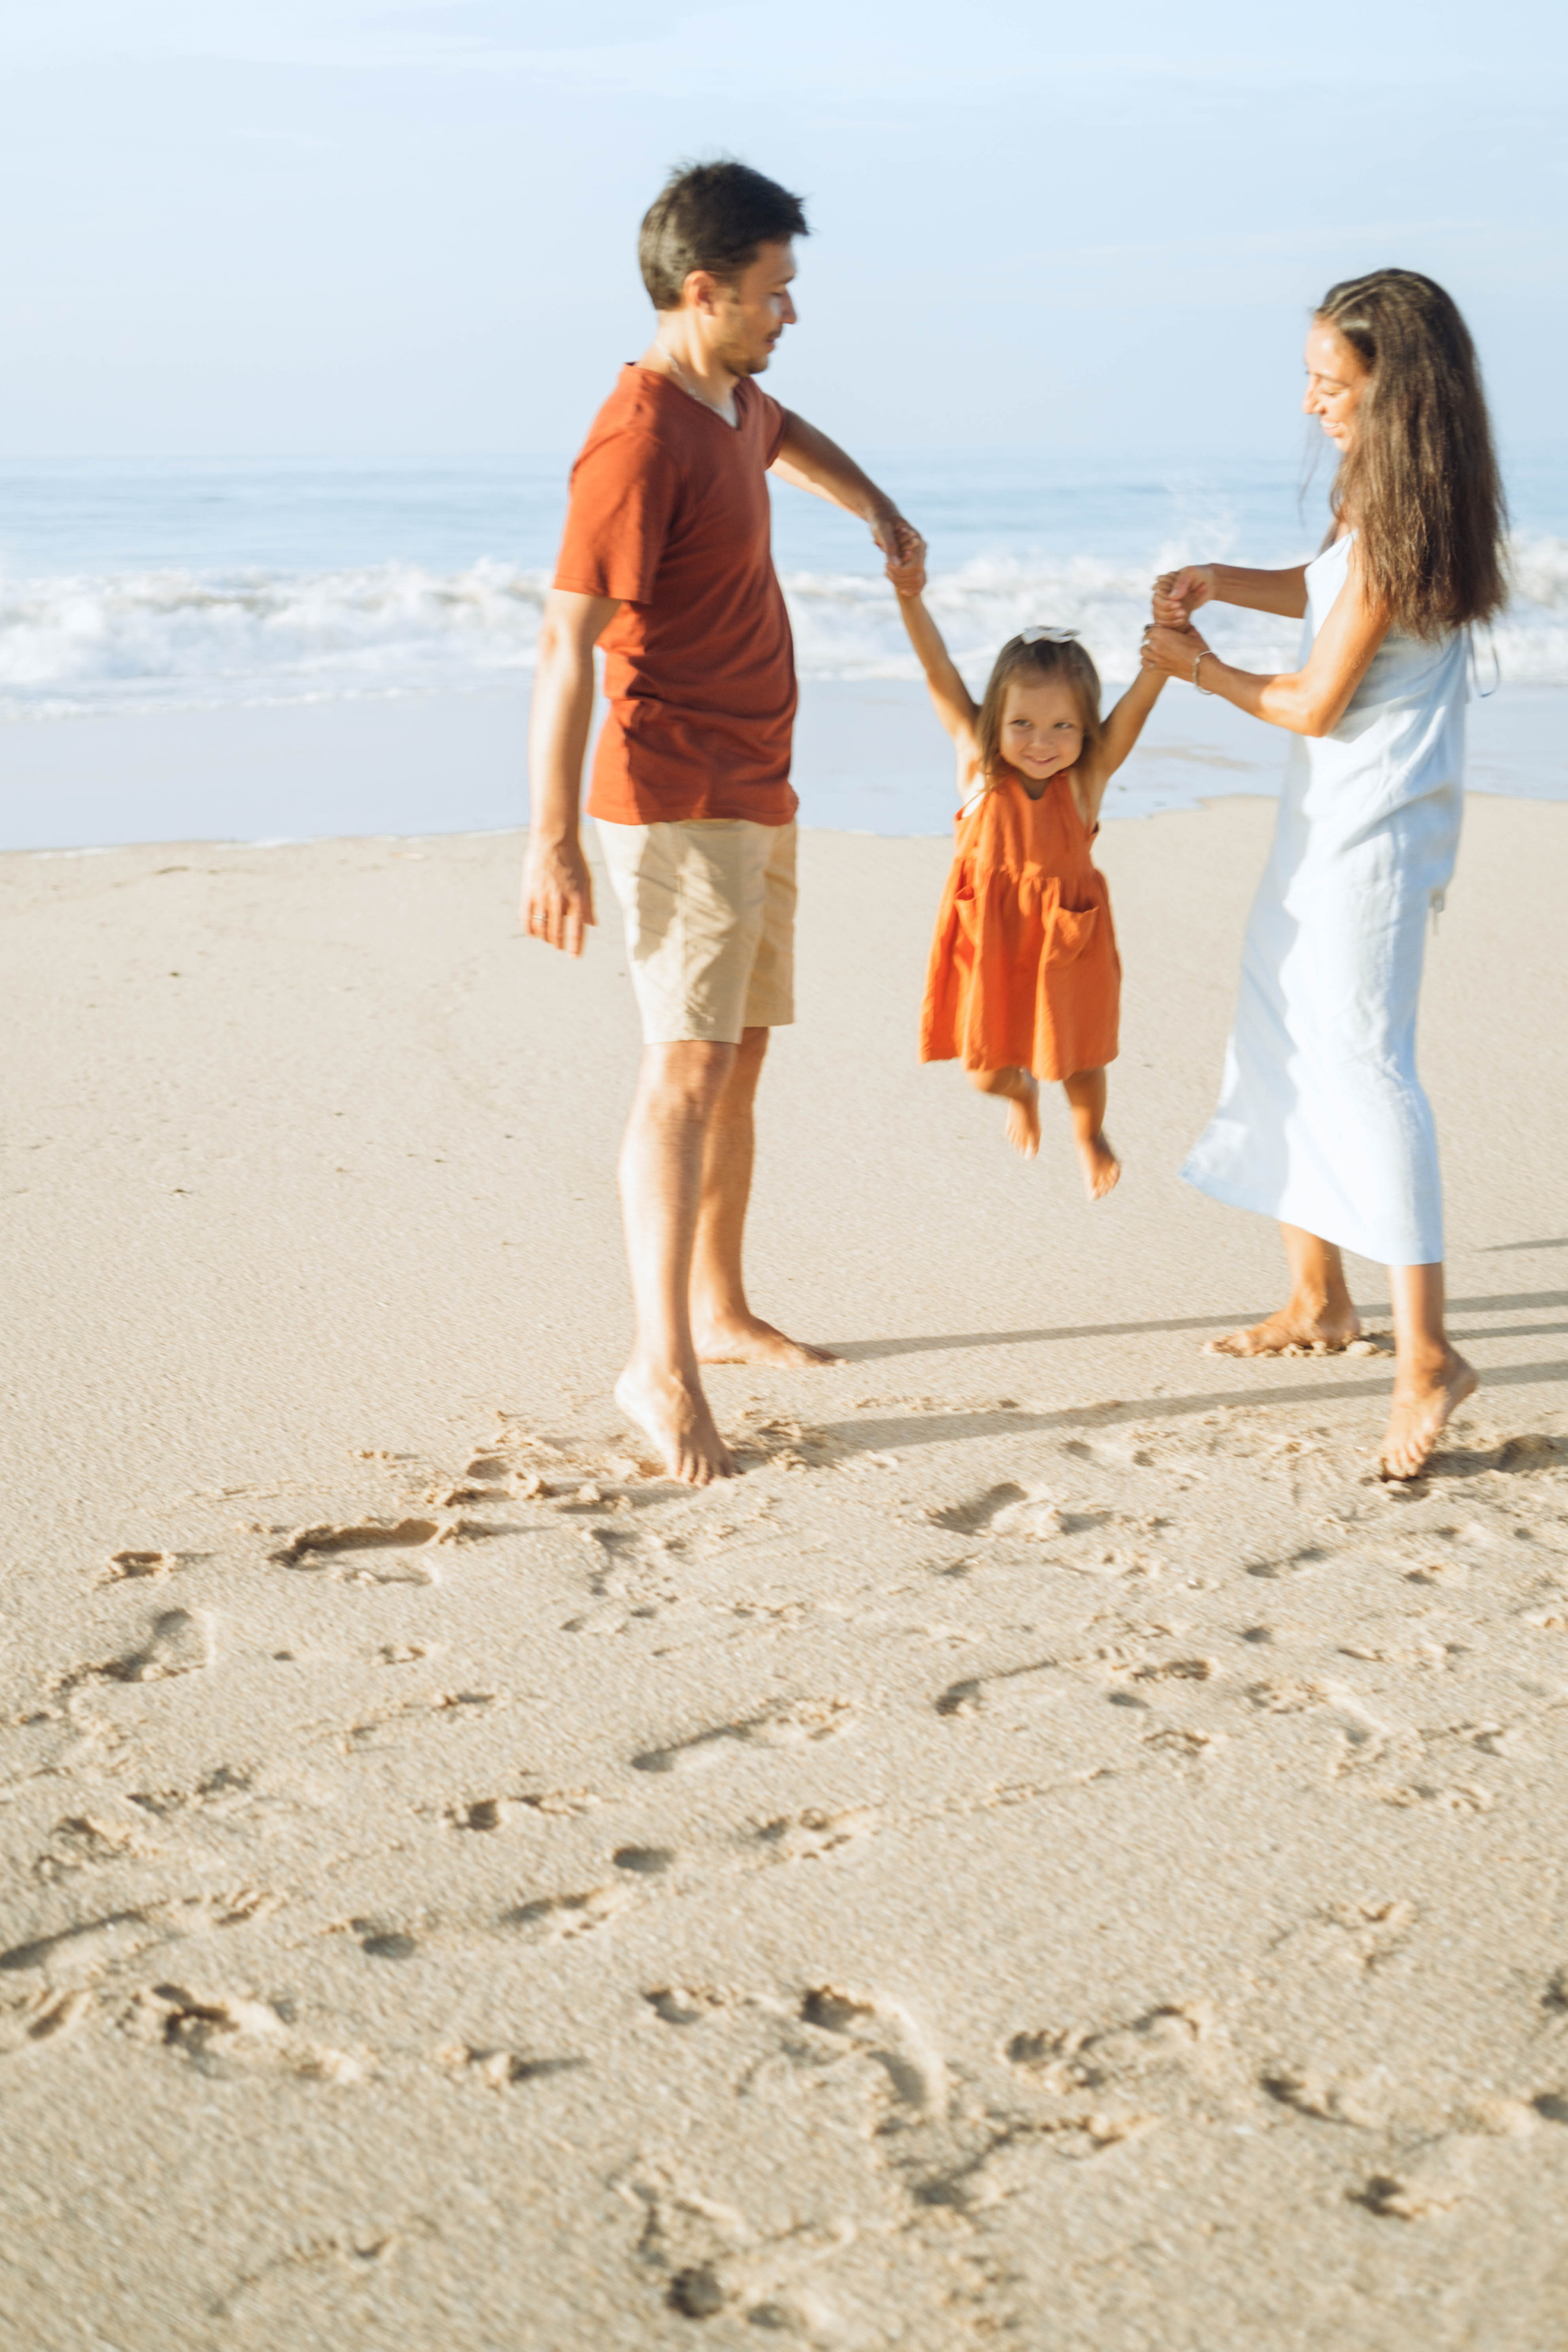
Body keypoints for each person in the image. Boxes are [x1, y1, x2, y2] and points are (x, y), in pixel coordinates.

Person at [521, 160, 924, 1487]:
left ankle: (720, 1308)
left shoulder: (729, 402)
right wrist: (551, 836)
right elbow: (564, 647)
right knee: (683, 1072)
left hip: (758, 785)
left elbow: (785, 433)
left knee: (740, 1057)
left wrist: (872, 506)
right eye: (771, 295)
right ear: (703, 293)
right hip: (677, 797)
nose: (786, 315)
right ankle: (659, 1364)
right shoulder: (635, 442)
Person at [1140, 268, 1508, 1480]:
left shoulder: (1412, 525)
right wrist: (1220, 580)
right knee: (1286, 1036)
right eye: (1306, 378)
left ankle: (1425, 1357)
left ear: (1395, 394)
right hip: (1325, 827)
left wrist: (1196, 672)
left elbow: (1308, 699)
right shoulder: (1381, 502)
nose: (1310, 403)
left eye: (1329, 383)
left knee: (1362, 1068)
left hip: (1373, 840)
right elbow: (1318, 592)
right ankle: (1316, 1300)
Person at [884, 552, 1167, 1196]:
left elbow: (1141, 700)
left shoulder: (1086, 779)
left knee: (1078, 1058)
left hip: (1066, 941)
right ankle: (1018, 1095)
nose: (1042, 742)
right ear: (994, 722)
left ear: (1086, 727)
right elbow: (936, 668)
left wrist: (1167, 641)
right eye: (1022, 725)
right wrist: (909, 598)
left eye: (1063, 726)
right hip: (988, 942)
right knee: (985, 1070)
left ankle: (1088, 1131)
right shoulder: (978, 766)